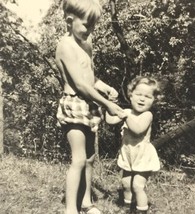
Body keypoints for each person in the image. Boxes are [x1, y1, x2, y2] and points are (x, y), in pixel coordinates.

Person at [55, 0, 126, 214]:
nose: (90, 30)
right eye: (87, 24)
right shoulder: (65, 46)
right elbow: (80, 85)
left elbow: (90, 78)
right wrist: (107, 105)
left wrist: (106, 88)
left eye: (94, 25)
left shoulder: (86, 42)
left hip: (89, 103)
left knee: (89, 158)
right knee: (78, 159)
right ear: (69, 21)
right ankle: (70, 209)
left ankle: (86, 203)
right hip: (75, 103)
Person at [106, 76, 161, 214]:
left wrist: (125, 116)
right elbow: (110, 120)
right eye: (138, 94)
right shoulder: (128, 112)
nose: (142, 99)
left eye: (147, 96)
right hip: (128, 154)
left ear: (154, 100)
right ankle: (127, 208)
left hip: (142, 156)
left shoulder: (147, 115)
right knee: (126, 184)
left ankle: (141, 210)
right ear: (130, 96)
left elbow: (137, 130)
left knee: (137, 186)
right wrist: (109, 103)